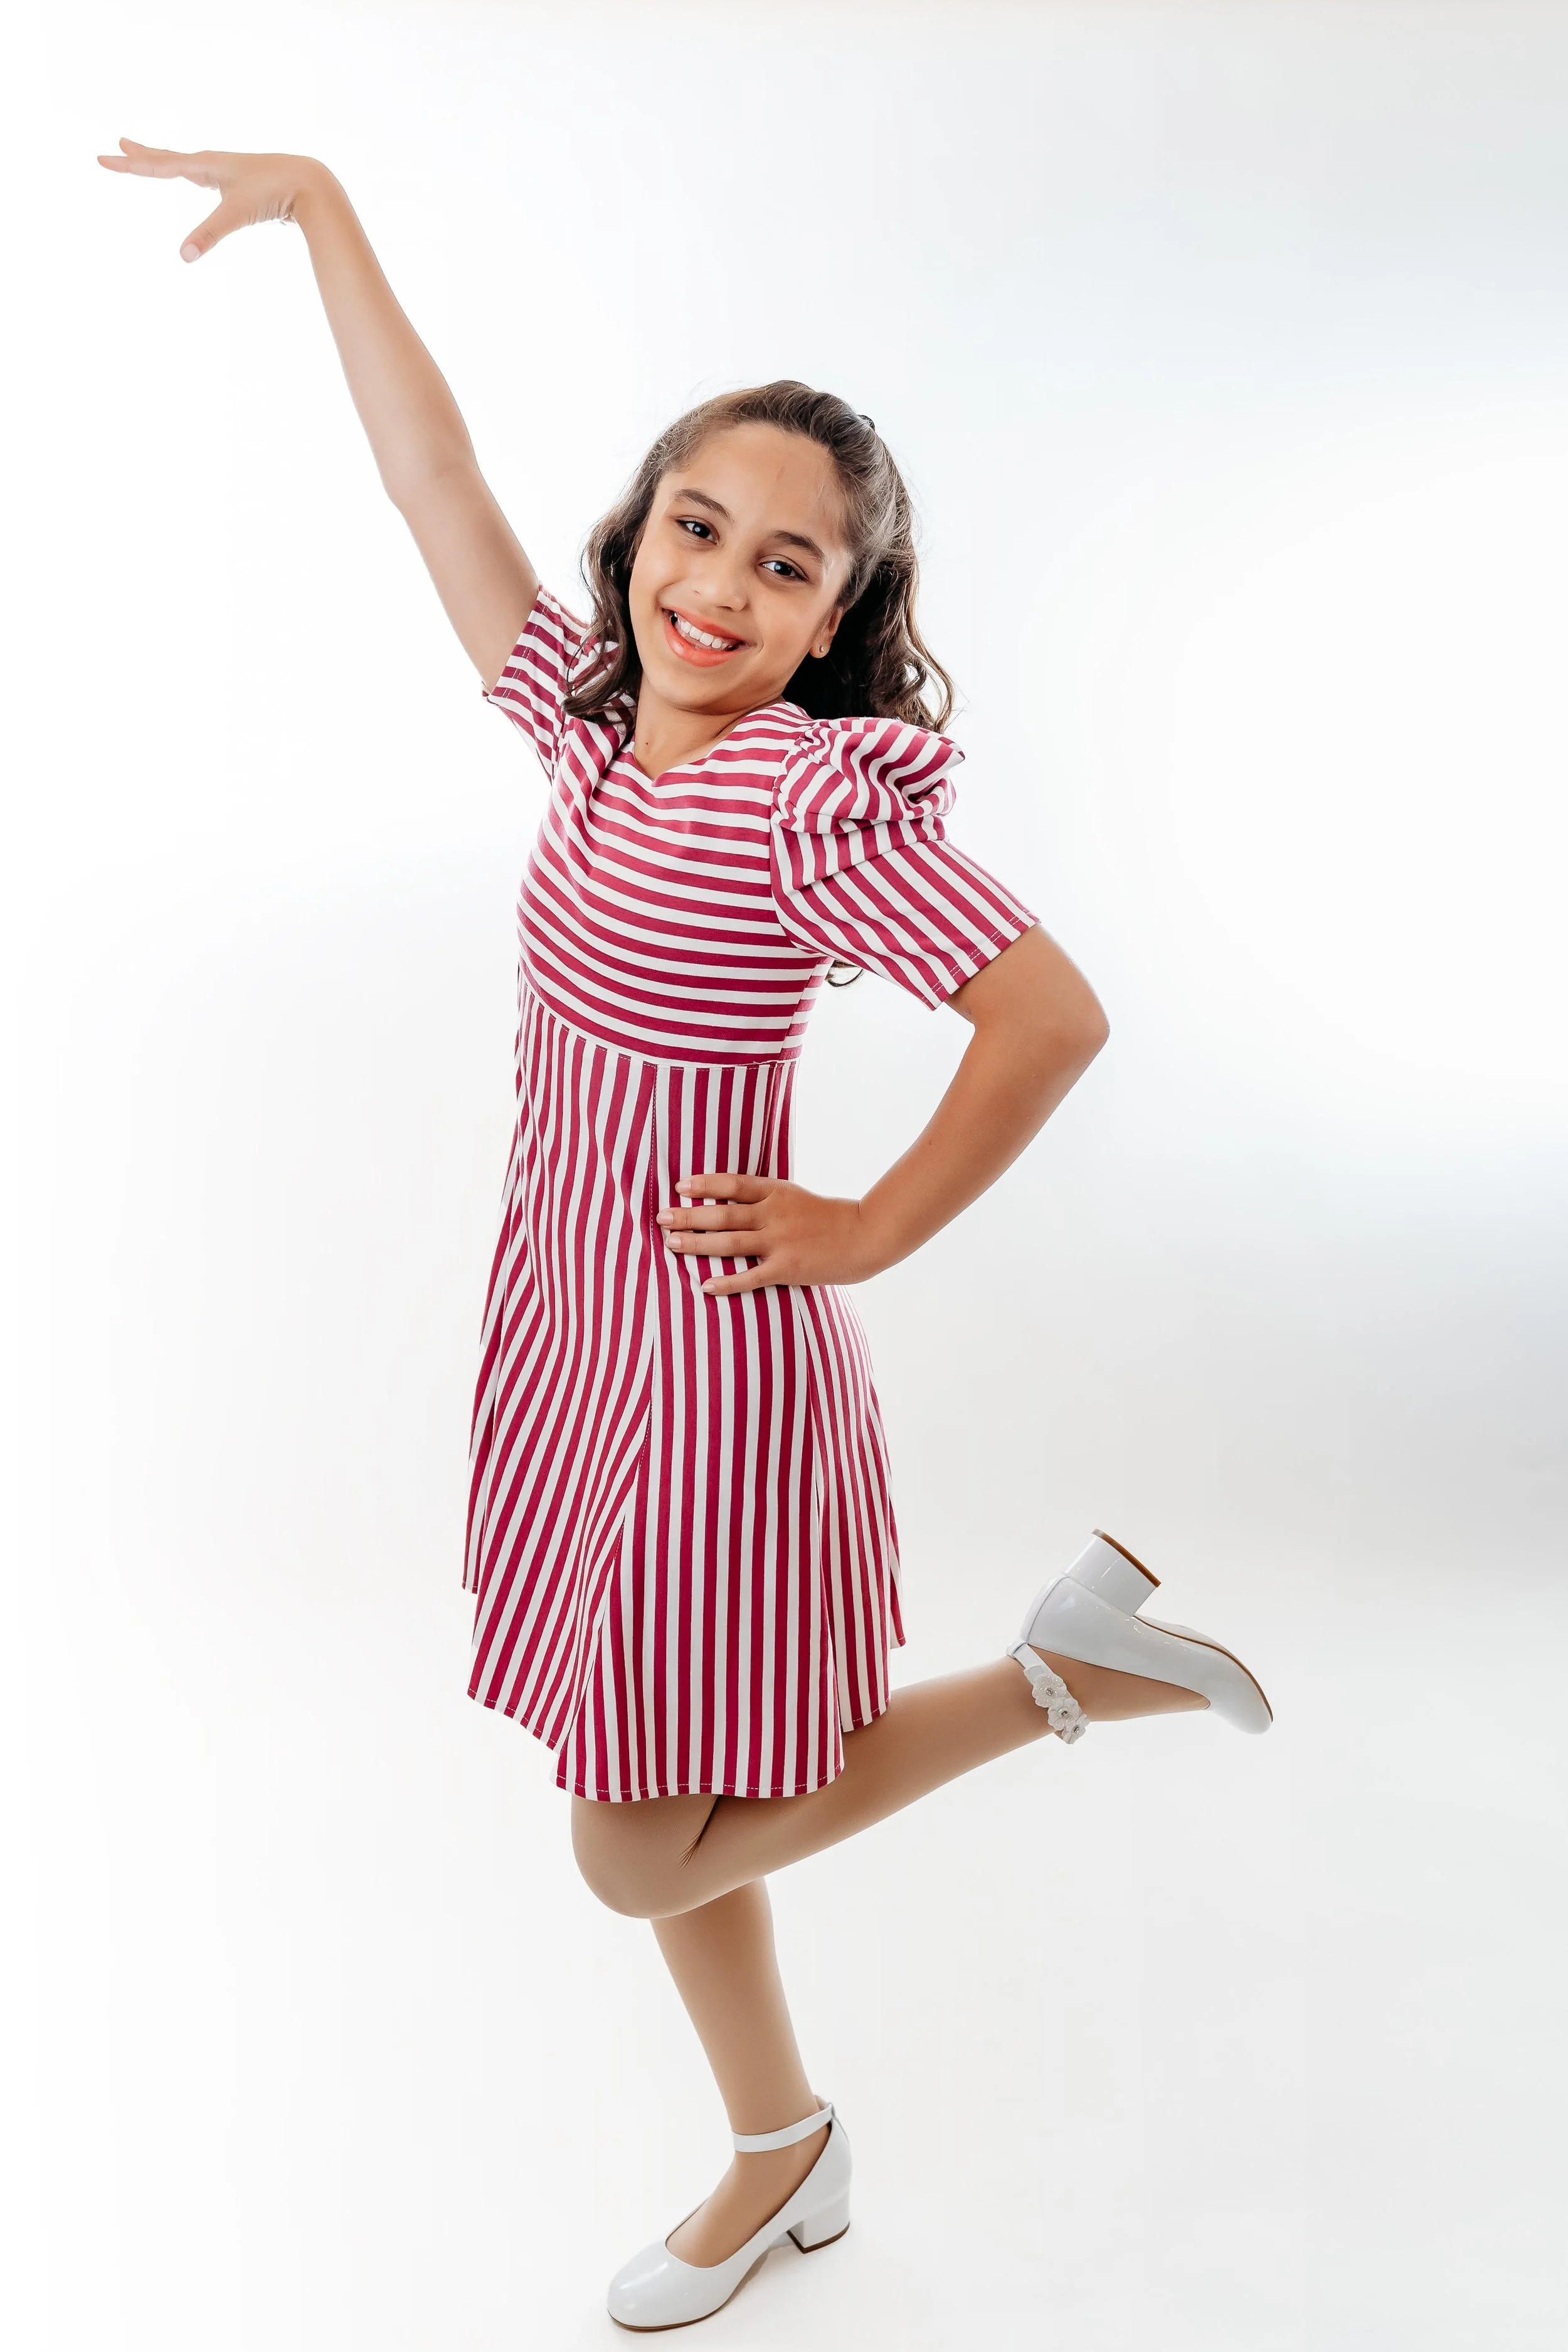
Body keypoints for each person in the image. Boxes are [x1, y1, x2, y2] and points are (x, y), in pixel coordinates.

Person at [102, 139, 1273, 2333]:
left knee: (631, 1834)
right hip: (577, 1331)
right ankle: (782, 2146)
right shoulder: (587, 731)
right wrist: (322, 208)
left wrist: (869, 1225)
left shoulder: (798, 801)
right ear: (641, 537)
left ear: (839, 619)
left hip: (711, 1356)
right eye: (696, 528)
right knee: (675, 1784)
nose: (719, 585)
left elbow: (1049, 1012)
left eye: (786, 563)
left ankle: (1057, 1681)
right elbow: (428, 481)